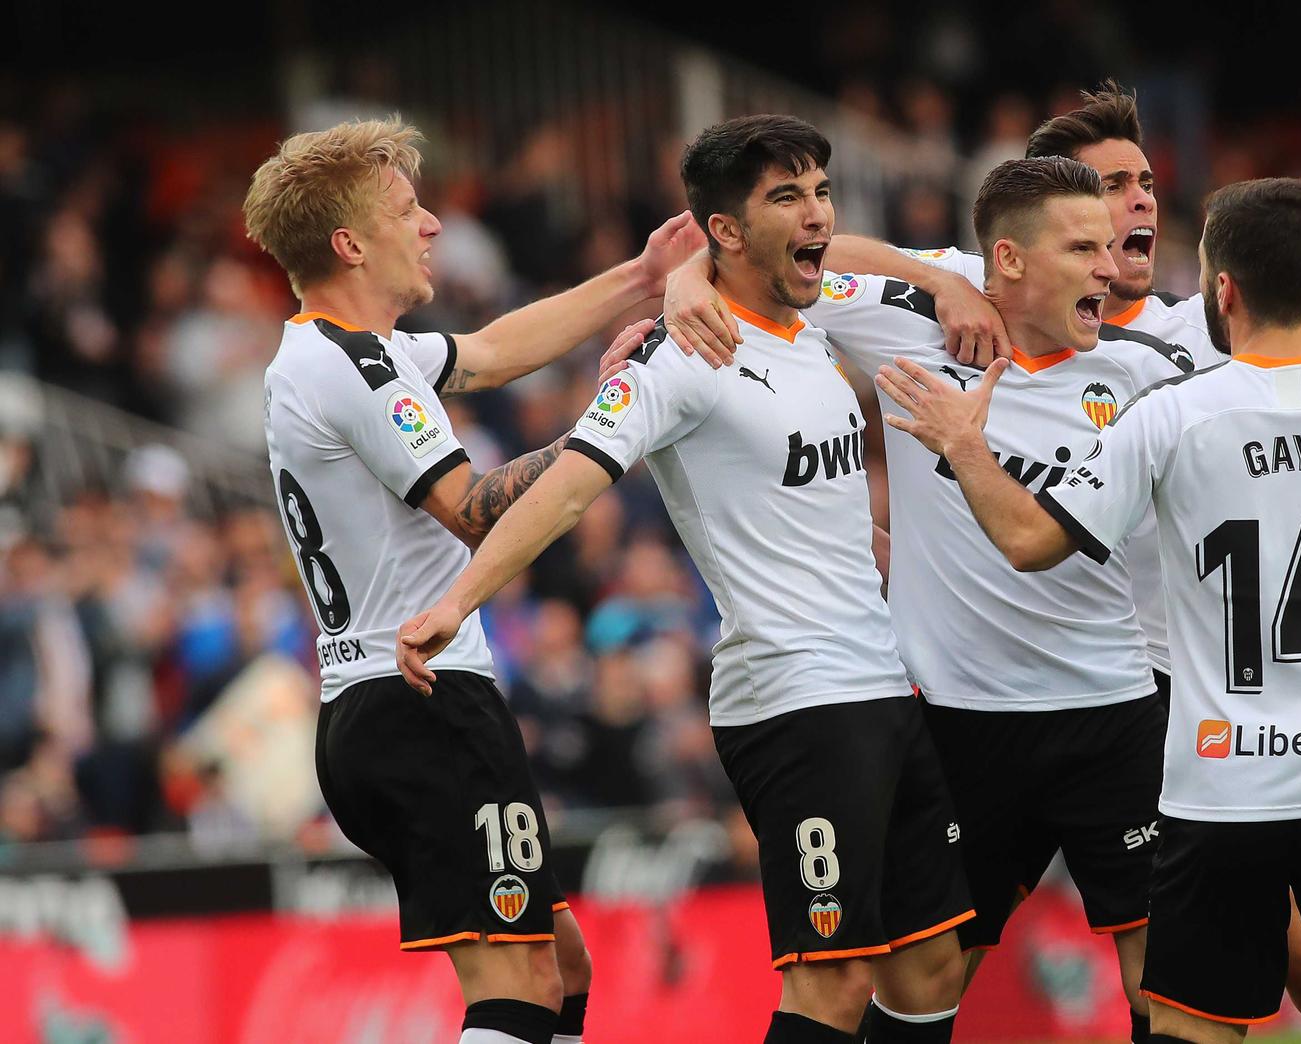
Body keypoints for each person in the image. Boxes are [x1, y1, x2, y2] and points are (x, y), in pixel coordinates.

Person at [873, 177, 1301, 1044]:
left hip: (1222, 789)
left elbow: (1031, 541)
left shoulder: (1170, 415)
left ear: (1222, 289)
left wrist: (964, 446)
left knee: (1193, 1027)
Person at [395, 115, 972, 1044]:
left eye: (820, 189)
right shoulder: (680, 359)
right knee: (834, 978)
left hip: (880, 683)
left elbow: (860, 259)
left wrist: (936, 276)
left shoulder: (811, 319)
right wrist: (459, 602)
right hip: (795, 696)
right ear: (727, 233)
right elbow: (575, 482)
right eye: (786, 197)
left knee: (930, 962)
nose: (816, 213)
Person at [644, 155, 1181, 1043]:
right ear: (1004, 262)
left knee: (1163, 972)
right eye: (1083, 245)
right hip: (963, 722)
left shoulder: (1144, 371)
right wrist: (684, 282)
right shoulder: (913, 320)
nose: (1109, 265)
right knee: (926, 969)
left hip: (1113, 712)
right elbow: (788, 256)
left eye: (1109, 242)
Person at [247, 118, 703, 1044]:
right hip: (422, 699)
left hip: (377, 704)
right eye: (408, 211)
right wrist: (620, 419)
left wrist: (637, 279)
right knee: (520, 985)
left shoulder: (339, 352)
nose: (432, 228)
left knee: (559, 967)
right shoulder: (357, 366)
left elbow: (492, 351)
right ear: (350, 243)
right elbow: (476, 508)